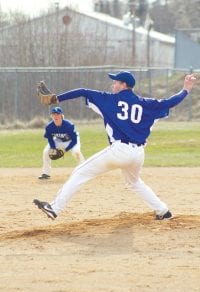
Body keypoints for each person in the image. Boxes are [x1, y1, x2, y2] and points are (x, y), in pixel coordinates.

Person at [34, 71, 197, 220]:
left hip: (119, 151)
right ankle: (163, 211)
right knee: (134, 182)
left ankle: (54, 208)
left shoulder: (109, 100)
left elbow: (83, 91)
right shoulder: (146, 104)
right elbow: (170, 102)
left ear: (124, 85)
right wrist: (185, 90)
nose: (113, 85)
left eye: (116, 82)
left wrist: (57, 99)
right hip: (138, 154)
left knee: (80, 172)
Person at [38, 106, 85, 179]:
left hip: (71, 141)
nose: (55, 116)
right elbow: (50, 138)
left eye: (57, 114)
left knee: (76, 152)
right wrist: (53, 148)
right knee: (46, 151)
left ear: (61, 116)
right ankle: (46, 173)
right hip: (58, 140)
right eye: (54, 114)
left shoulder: (69, 125)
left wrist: (66, 150)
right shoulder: (49, 127)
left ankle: (84, 171)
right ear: (51, 116)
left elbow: (74, 140)